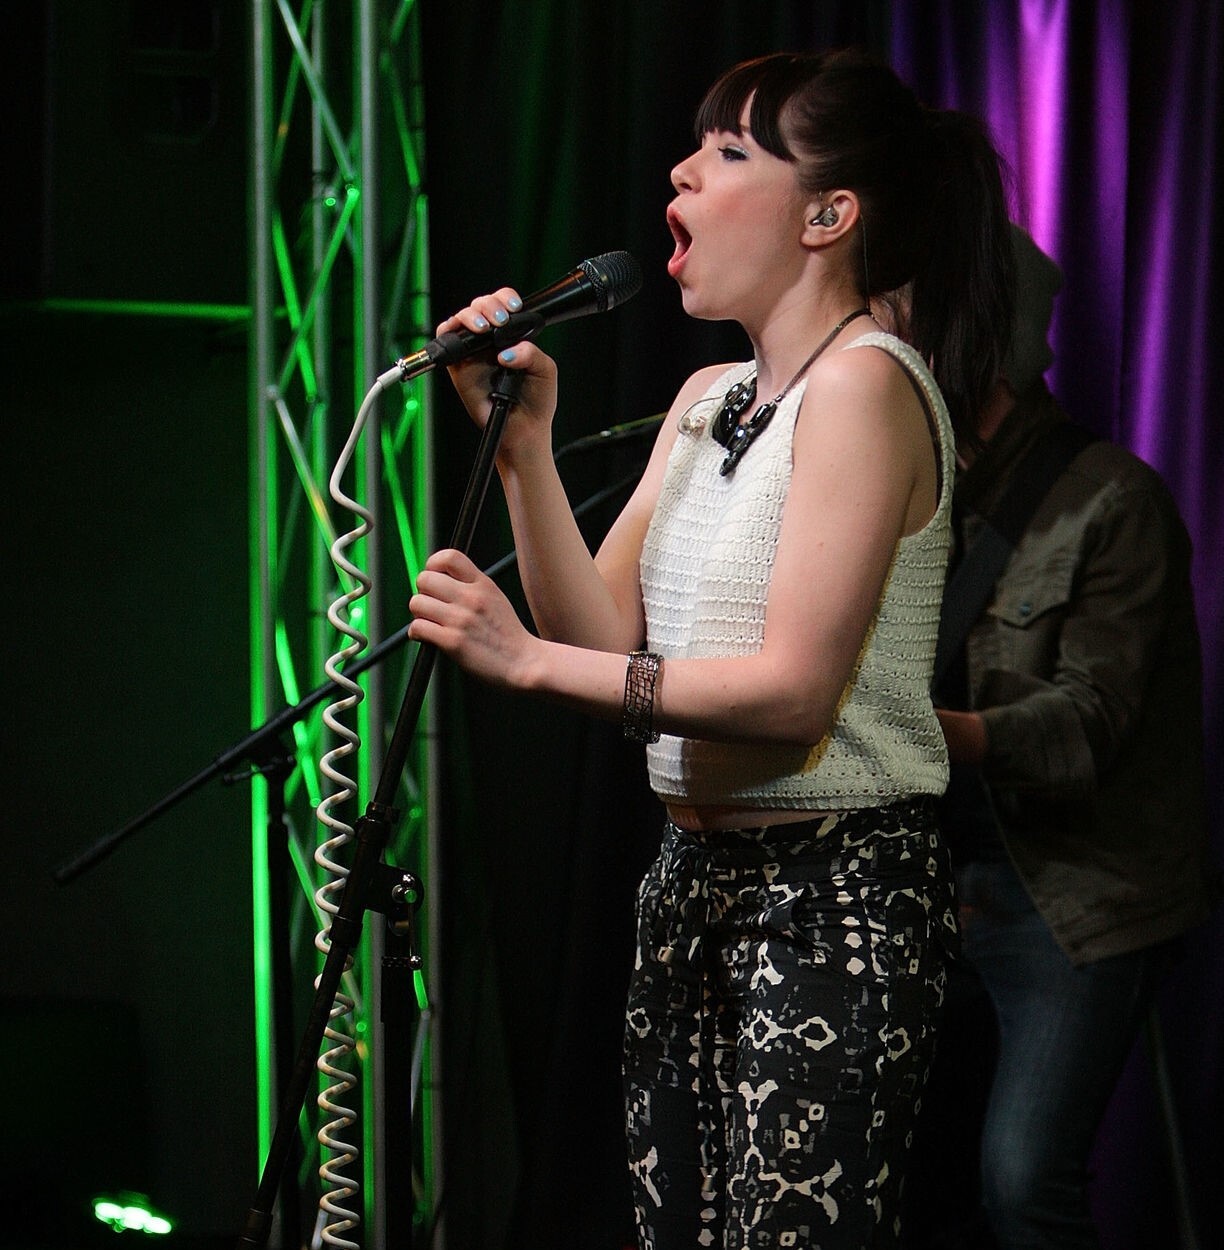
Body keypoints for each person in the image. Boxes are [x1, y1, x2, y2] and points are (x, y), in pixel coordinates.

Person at [407, 49, 1015, 1249]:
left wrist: (523, 661)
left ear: (826, 216)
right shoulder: (708, 397)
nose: (682, 172)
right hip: (691, 882)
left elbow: (789, 696)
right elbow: (604, 635)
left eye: (729, 150)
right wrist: (523, 449)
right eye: (694, 145)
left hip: (831, 895)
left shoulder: (866, 386)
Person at [906, 228, 1219, 1250]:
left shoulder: (1111, 500)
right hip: (935, 881)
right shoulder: (912, 491)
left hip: (1072, 893)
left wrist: (916, 733)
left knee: (1023, 1181)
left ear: (974, 349)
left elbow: (1087, 727)